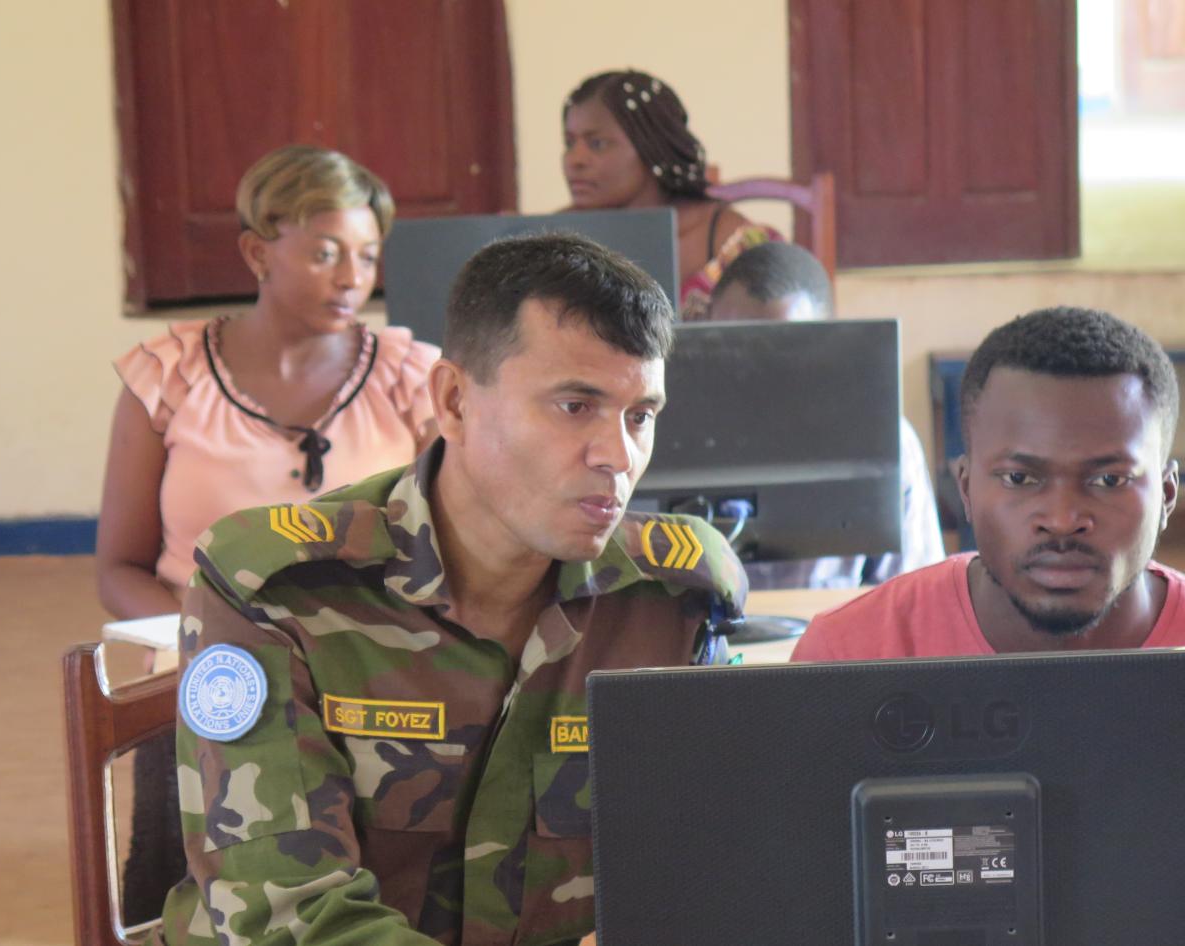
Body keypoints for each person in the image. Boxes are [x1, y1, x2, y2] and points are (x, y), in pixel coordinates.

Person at [158, 233, 748, 945]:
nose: (618, 456)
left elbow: (717, 859)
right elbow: (289, 920)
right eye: (574, 406)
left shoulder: (674, 598)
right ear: (455, 401)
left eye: (640, 416)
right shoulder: (278, 589)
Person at [96, 145, 440, 923]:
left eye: (367, 255)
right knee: (191, 896)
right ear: (257, 253)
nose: (352, 278)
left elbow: (442, 545)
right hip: (206, 679)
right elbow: (117, 566)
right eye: (325, 253)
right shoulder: (168, 375)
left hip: (370, 677)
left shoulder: (413, 379)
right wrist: (206, 646)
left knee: (366, 897)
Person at [792, 306, 1185, 661]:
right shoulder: (849, 653)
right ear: (965, 489)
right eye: (1019, 478)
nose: (1062, 520)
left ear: (1167, 495)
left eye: (1109, 479)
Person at [704, 241, 945, 589]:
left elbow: (915, 592)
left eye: (785, 348)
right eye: (732, 345)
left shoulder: (883, 437)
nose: (757, 373)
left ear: (826, 340)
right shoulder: (658, 430)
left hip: (835, 623)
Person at [561, 69, 782, 319]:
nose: (575, 160)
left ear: (651, 145)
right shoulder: (554, 240)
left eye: (597, 143)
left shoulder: (734, 242)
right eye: (569, 143)